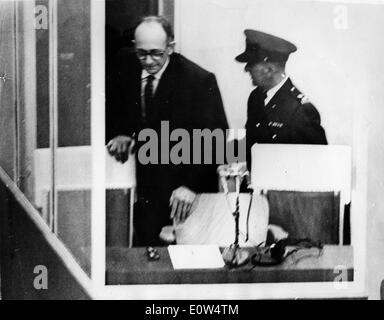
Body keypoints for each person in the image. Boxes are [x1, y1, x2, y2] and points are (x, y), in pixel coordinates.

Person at [106, 16, 228, 246]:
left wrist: (191, 186)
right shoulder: (124, 66)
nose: (149, 61)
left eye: (156, 53)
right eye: (142, 53)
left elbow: (217, 140)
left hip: (183, 192)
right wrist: (120, 132)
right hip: (143, 190)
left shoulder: (199, 81)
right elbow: (114, 108)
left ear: (170, 48)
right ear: (133, 46)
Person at [235, 29, 327, 167]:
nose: (246, 69)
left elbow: (317, 166)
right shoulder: (255, 98)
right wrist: (227, 158)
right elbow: (251, 143)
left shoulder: (301, 110)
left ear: (269, 69)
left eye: (251, 63)